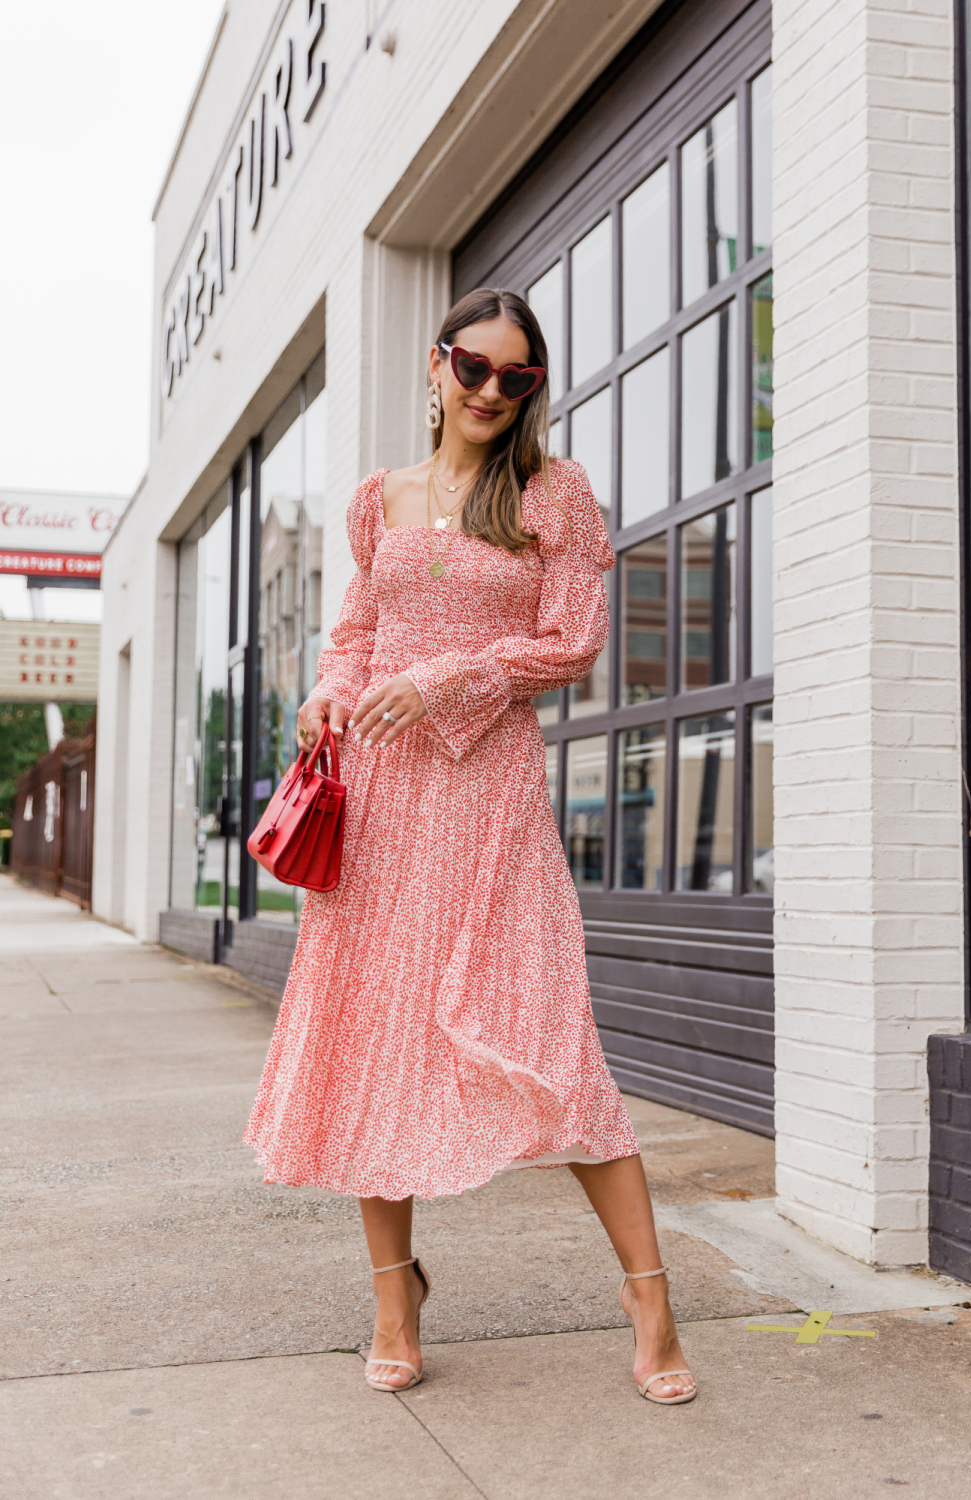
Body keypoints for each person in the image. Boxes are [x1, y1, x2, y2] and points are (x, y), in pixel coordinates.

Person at [245, 287, 696, 1406]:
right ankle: (395, 1301)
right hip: (382, 804)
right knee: (370, 1043)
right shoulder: (377, 499)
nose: (492, 390)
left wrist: (447, 677)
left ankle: (651, 1302)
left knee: (553, 1037)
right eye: (475, 367)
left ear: (533, 390)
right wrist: (329, 694)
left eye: (517, 377)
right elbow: (358, 628)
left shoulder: (555, 493)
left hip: (487, 798)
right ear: (436, 364)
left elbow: (571, 642)